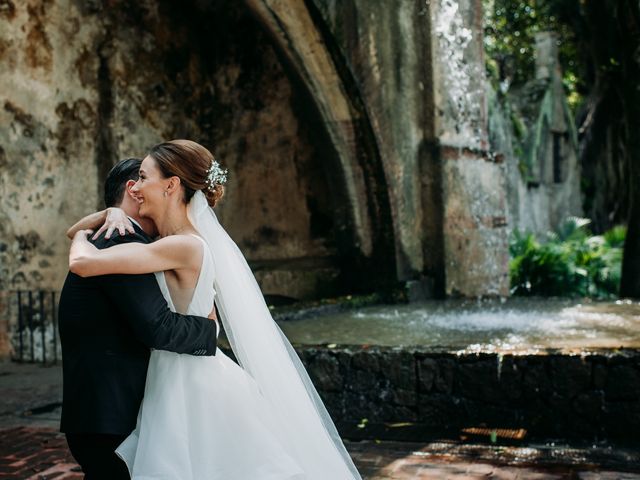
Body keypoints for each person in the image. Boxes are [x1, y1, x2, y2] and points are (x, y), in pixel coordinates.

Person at [68, 140, 362, 479]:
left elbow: (81, 262)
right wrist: (111, 213)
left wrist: (84, 236)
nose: (136, 187)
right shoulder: (183, 241)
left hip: (188, 382)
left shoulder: (181, 246)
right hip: (175, 374)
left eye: (144, 177)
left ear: (171, 185)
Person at [58, 157, 219, 480]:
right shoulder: (120, 238)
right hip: (111, 419)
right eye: (142, 180)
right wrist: (211, 331)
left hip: (106, 414)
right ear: (134, 191)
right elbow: (158, 327)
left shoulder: (129, 241)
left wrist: (93, 224)